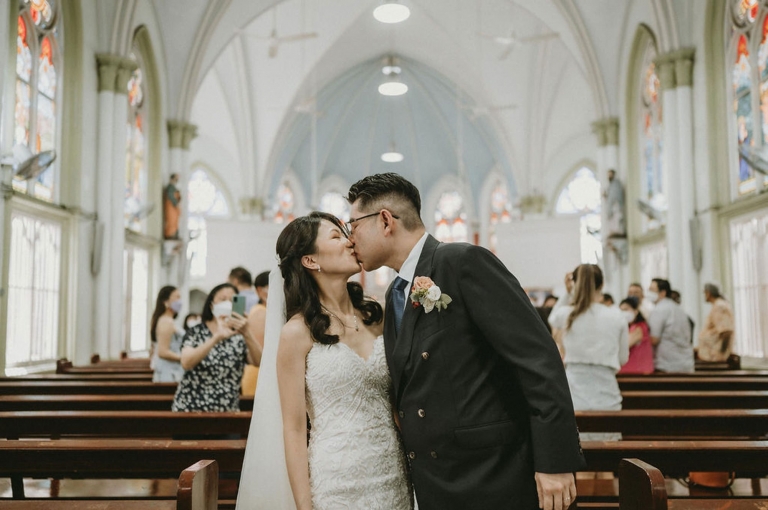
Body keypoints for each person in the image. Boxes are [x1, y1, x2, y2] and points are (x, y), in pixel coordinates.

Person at [346, 173, 585, 510]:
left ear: (385, 221)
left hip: (494, 474)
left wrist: (555, 462)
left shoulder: (462, 262)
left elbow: (537, 359)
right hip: (438, 481)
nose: (349, 237)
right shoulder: (395, 292)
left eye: (352, 224)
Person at [236, 212, 412, 510]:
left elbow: (400, 400)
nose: (349, 241)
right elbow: (292, 428)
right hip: (336, 480)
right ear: (310, 261)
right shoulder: (296, 333)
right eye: (336, 236)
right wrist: (305, 506)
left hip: (392, 473)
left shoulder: (378, 315)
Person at [548, 265, 629, 441]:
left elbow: (552, 318)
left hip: (575, 392)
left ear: (575, 285)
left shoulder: (568, 314)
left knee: (580, 449)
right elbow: (623, 359)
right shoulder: (617, 316)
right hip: (607, 394)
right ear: (602, 285)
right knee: (608, 451)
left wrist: (568, 294)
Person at [171, 283, 262, 412]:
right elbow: (186, 362)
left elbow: (258, 361)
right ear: (212, 304)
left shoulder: (239, 335)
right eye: (223, 299)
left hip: (227, 411)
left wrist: (248, 333)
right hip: (191, 409)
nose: (227, 303)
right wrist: (216, 338)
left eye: (232, 300)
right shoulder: (196, 332)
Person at [647, 278, 694, 373]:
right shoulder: (677, 308)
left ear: (663, 293)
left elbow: (654, 339)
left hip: (668, 364)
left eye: (652, 290)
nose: (648, 293)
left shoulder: (660, 309)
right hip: (685, 362)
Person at [241, 270, 270, 396]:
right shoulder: (260, 312)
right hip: (258, 373)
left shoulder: (268, 311)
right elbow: (258, 351)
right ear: (260, 290)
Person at [150, 285, 185, 383]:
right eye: (177, 297)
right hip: (168, 373)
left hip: (174, 370)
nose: (180, 301)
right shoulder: (166, 321)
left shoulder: (169, 320)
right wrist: (186, 357)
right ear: (165, 302)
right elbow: (163, 352)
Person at [697, 283, 736, 362]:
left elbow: (726, 331)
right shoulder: (717, 305)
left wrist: (720, 353)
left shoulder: (720, 306)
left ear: (709, 293)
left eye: (705, 292)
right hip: (711, 356)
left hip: (716, 357)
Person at [617, 297, 654, 374]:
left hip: (637, 372)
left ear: (636, 311)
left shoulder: (640, 327)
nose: (623, 313)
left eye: (626, 309)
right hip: (627, 371)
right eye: (621, 310)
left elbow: (625, 344)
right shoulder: (628, 327)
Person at [163, 173, 181, 239]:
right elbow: (170, 196)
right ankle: (170, 234)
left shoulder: (173, 187)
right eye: (176, 179)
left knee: (174, 221)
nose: (176, 181)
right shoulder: (170, 187)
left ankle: (173, 234)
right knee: (171, 221)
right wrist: (175, 203)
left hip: (174, 209)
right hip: (171, 207)